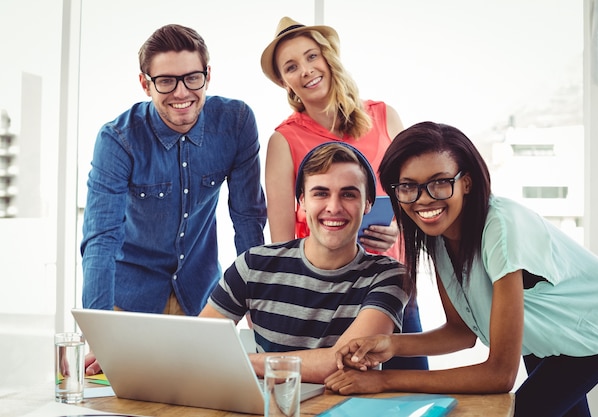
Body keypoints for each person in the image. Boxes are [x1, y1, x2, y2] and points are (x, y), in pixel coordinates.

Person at [324, 121, 598, 417]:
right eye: (408, 187)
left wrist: (383, 380)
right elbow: (461, 332)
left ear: (466, 182)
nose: (424, 198)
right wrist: (390, 344)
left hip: (596, 321)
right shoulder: (437, 236)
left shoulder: (501, 229)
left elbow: (499, 374)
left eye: (440, 182)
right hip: (546, 334)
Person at [81, 24, 266, 373]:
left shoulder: (237, 122)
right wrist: (100, 335)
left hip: (201, 301)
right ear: (145, 83)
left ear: (208, 76)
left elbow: (248, 220)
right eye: (166, 81)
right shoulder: (118, 139)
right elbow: (100, 240)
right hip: (128, 302)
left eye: (192, 78)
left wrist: (258, 304)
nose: (181, 92)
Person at [260, 16, 427, 370]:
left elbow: (416, 197)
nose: (304, 71)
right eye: (291, 66)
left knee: (411, 391)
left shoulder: (384, 117)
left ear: (328, 57)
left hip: (393, 285)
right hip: (327, 300)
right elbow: (282, 244)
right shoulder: (283, 141)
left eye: (311, 57)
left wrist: (398, 227)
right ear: (284, 81)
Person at [199, 142, 409, 384]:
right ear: (302, 201)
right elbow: (201, 346)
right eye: (320, 193)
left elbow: (342, 363)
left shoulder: (389, 276)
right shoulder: (253, 266)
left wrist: (240, 361)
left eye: (348, 194)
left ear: (368, 204)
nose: (334, 207)